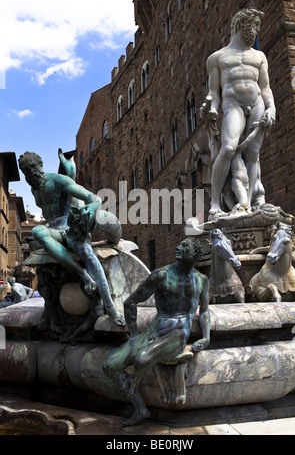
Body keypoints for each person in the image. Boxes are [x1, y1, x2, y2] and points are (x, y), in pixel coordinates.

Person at [103, 238, 210, 426]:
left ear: (195, 255)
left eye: (184, 246)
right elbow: (130, 302)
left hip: (178, 333)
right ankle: (140, 409)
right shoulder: (161, 275)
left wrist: (206, 337)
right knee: (110, 366)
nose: (178, 246)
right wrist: (135, 334)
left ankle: (133, 382)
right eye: (180, 244)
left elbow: (205, 311)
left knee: (142, 359)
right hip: (155, 330)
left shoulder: (201, 280)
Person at [18, 151, 125, 327]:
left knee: (85, 252)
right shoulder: (34, 189)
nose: (29, 173)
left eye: (31, 167)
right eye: (25, 171)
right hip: (53, 229)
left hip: (70, 226)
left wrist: (91, 208)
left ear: (40, 165)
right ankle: (83, 275)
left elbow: (93, 197)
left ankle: (110, 306)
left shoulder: (58, 180)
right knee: (37, 231)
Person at [201, 8, 276, 219]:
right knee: (228, 148)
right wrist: (212, 108)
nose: (256, 31)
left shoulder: (259, 57)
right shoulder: (217, 58)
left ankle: (248, 205)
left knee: (253, 155)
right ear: (240, 25)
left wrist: (271, 107)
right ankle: (215, 203)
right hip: (232, 103)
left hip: (257, 103)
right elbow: (214, 94)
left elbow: (266, 88)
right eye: (253, 26)